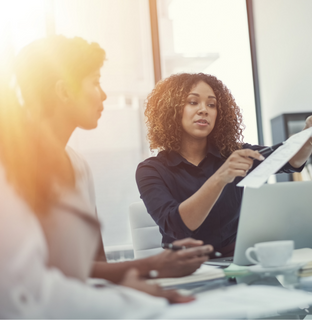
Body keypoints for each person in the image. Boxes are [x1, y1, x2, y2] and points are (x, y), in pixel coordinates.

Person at [0, 35, 208, 318]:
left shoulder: (77, 165)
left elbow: (90, 265)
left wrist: (136, 282)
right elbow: (26, 294)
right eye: (95, 82)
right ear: (63, 91)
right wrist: (138, 285)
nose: (104, 95)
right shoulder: (10, 165)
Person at [136, 73, 312, 256]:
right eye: (193, 102)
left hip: (235, 261)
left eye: (212, 105)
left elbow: (288, 159)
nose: (204, 110)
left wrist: (310, 135)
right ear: (171, 110)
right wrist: (220, 177)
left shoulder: (232, 154)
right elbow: (179, 227)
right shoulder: (151, 170)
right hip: (183, 269)